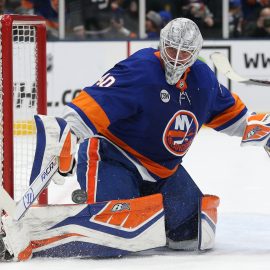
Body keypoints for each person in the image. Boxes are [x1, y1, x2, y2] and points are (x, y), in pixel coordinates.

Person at [1, 17, 270, 261]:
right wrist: (69, 133)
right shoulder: (141, 69)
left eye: (184, 52)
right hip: (113, 158)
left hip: (163, 171)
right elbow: (91, 103)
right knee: (116, 234)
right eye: (171, 49)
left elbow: (238, 120)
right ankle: (32, 238)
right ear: (162, 44)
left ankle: (140, 212)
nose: (176, 59)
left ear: (195, 53)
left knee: (195, 233)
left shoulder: (204, 80)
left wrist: (263, 129)